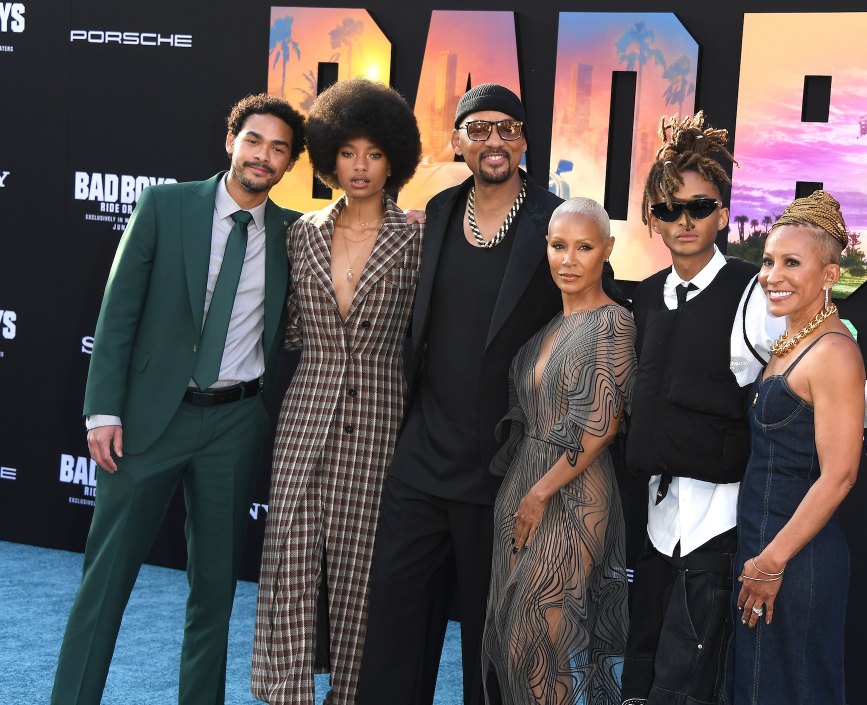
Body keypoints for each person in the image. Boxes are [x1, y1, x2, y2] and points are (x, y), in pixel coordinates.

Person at [620, 114, 867, 705]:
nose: (683, 221)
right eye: (668, 209)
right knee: (649, 676)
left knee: (705, 687)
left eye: (698, 207)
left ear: (722, 212)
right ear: (653, 217)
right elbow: (795, 364)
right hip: (656, 524)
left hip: (724, 530)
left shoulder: (753, 292)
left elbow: (824, 361)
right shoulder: (647, 294)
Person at [50, 94, 306, 705]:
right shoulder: (165, 205)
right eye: (253, 140)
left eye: (278, 149)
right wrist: (103, 410)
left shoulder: (296, 234)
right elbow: (118, 314)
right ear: (230, 142)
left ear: (290, 163)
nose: (262, 156)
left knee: (214, 592)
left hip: (236, 423)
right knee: (104, 582)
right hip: (146, 422)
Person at [356, 84, 564, 705]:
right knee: (394, 623)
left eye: (506, 129)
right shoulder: (440, 211)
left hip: (502, 468)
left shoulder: (554, 222)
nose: (493, 141)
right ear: (458, 141)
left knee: (491, 643)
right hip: (422, 457)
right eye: (478, 129)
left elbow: (586, 325)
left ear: (524, 140)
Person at [251, 78, 422, 705]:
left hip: (380, 421)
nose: (360, 167)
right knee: (287, 565)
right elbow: (290, 326)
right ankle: (284, 694)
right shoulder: (302, 234)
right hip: (305, 416)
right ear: (328, 157)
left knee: (360, 579)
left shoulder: (417, 240)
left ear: (394, 160)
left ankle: (351, 696)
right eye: (348, 153)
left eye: (374, 154)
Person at [481, 198, 636, 704]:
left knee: (538, 637)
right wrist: (524, 492)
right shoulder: (550, 326)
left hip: (572, 495)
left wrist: (540, 493)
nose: (568, 260)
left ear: (607, 251)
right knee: (516, 642)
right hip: (525, 487)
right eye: (558, 246)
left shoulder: (613, 323)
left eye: (584, 247)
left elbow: (602, 425)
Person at [732, 190, 864, 705]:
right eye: (767, 261)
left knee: (793, 689)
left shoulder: (833, 351)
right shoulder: (793, 342)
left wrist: (772, 562)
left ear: (829, 275)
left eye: (791, 263)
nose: (772, 275)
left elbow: (839, 476)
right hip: (764, 549)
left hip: (794, 560)